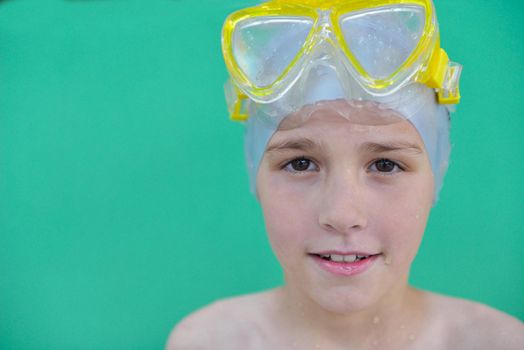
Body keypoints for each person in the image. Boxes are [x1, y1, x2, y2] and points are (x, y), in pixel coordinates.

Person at [167, 0, 524, 349]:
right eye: (300, 163)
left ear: (437, 174)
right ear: (254, 173)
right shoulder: (207, 341)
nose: (342, 215)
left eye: (385, 165)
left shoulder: (498, 342)